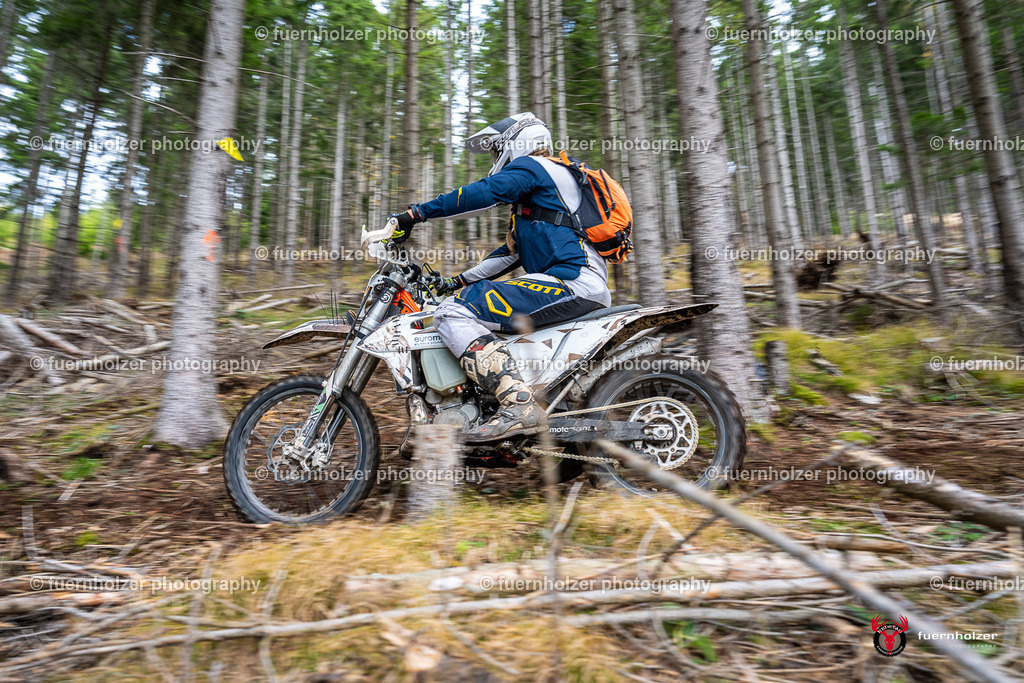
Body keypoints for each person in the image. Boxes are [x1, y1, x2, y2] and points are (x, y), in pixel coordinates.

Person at [389, 112, 611, 443]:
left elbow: (484, 193)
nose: (496, 159)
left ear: (518, 143)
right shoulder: (540, 193)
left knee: (453, 311)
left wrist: (415, 214)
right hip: (569, 285)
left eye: (497, 150)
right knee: (463, 301)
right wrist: (457, 282)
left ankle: (518, 404)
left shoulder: (538, 168)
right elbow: (508, 254)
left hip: (572, 284)